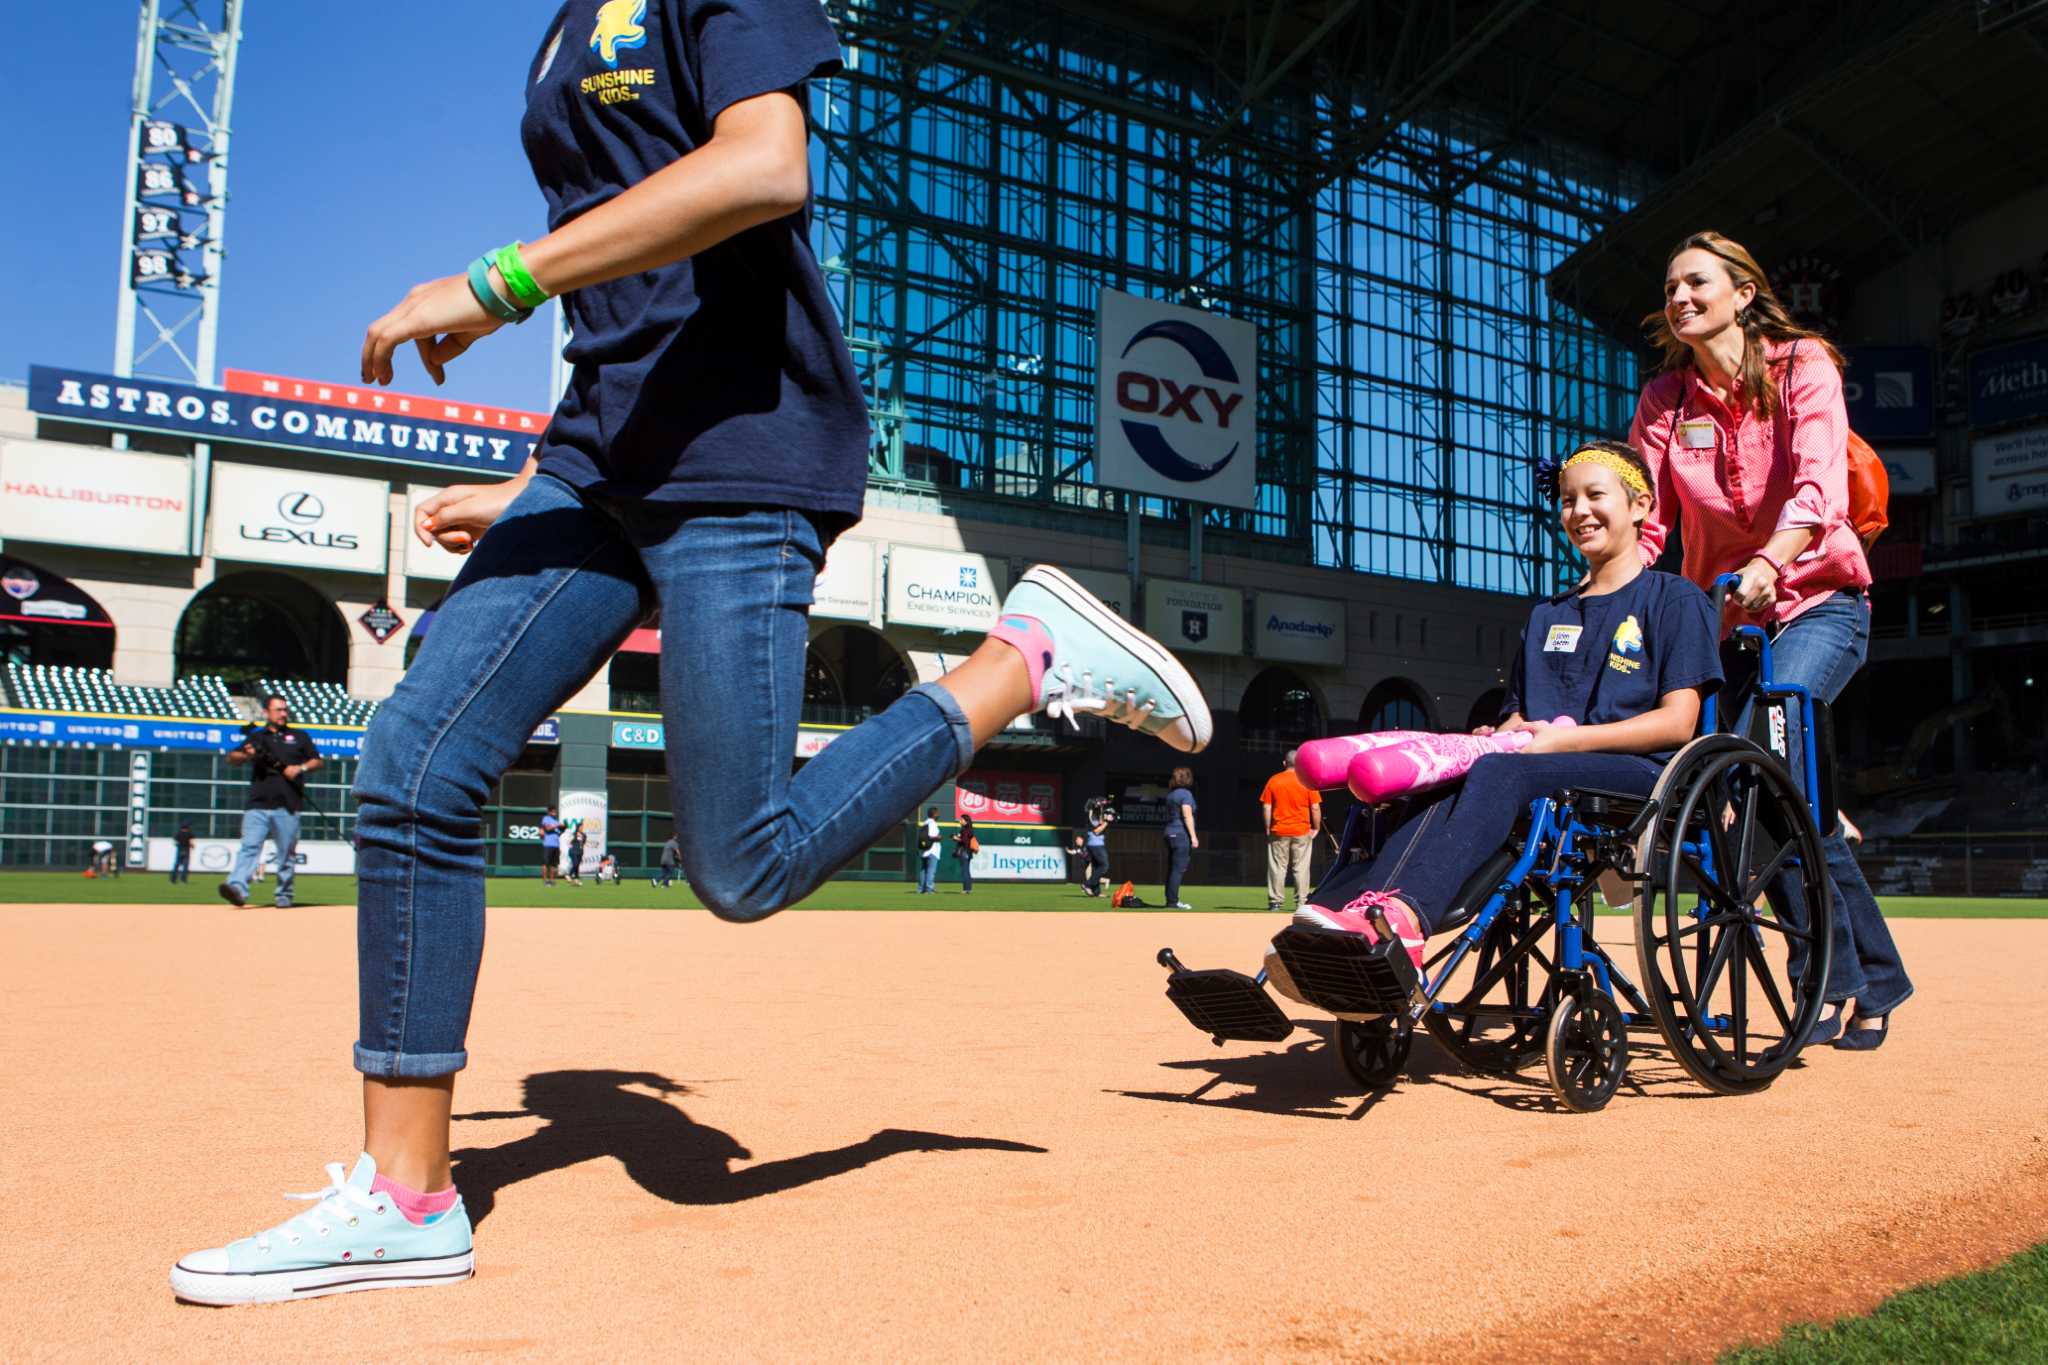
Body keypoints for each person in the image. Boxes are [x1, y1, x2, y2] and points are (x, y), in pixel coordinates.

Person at [170, 0, 1210, 1307]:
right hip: (599, 466)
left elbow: (766, 163)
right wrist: (542, 475)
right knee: (413, 759)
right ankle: (405, 1200)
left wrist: (497, 281)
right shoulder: (557, 32)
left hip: (737, 455)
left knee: (741, 861)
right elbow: (632, 307)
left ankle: (1023, 655)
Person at [1289, 441, 1722, 977]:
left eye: (1594, 496)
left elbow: (1679, 722)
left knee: (1499, 770)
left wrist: (1563, 742)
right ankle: (1341, 913)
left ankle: (1406, 916)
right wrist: (1492, 736)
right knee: (1440, 772)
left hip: (1638, 773)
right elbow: (1520, 716)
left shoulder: (1674, 599)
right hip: (1536, 765)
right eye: (1567, 500)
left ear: (1640, 506)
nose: (1579, 512)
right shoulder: (1547, 616)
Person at [1629, 230, 1910, 1051]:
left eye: (1697, 283)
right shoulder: (1665, 401)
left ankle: (1828, 978)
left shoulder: (1803, 367)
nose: (1680, 297)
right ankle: (1868, 979)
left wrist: (1766, 563)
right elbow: (1650, 529)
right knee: (1760, 796)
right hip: (1728, 623)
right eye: (1671, 285)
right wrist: (1608, 597)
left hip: (1819, 600)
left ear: (1743, 293)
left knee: (1770, 769)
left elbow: (1820, 487)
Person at [217, 694, 321, 910]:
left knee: (286, 854)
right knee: (249, 847)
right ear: (266, 712)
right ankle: (237, 888)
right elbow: (232, 758)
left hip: (289, 803)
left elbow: (317, 760)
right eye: (278, 710)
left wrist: (299, 768)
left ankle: (284, 894)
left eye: (285, 709)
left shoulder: (299, 736)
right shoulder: (256, 737)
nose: (283, 713)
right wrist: (246, 755)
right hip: (258, 803)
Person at [1259, 750, 1321, 912]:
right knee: (1301, 867)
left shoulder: (1274, 780)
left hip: (1279, 830)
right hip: (1302, 830)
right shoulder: (1306, 780)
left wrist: (1267, 826)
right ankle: (1301, 901)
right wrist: (1316, 827)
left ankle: (1275, 902)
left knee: (1277, 867)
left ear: (1284, 763)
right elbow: (1315, 807)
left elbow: (1267, 806)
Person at [1163, 768, 1197, 910]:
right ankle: (1173, 902)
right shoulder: (1186, 794)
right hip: (1181, 835)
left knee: (1172, 869)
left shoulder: (1171, 795)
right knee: (1178, 870)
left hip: (1168, 833)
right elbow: (1187, 815)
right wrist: (1194, 836)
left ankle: (1170, 900)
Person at [1073, 799, 1113, 897]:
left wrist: (1106, 812)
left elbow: (1100, 816)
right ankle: (1087, 884)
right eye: (1098, 806)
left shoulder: (1093, 817)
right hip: (1096, 846)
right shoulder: (1092, 817)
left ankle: (1096, 892)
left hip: (1093, 846)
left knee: (1096, 869)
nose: (1100, 807)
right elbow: (1097, 831)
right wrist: (1107, 821)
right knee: (1104, 866)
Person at [916, 807, 941, 894]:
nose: (938, 815)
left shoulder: (925, 823)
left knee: (923, 870)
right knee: (931, 870)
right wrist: (938, 837)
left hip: (923, 851)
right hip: (932, 851)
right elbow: (931, 836)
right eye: (937, 813)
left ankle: (921, 889)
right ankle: (929, 889)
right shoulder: (932, 823)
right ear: (934, 814)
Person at [954, 814, 978, 895]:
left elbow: (964, 841)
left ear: (966, 821)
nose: (960, 821)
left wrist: (956, 838)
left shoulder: (965, 830)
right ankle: (968, 889)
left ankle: (965, 889)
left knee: (965, 871)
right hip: (968, 852)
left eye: (961, 819)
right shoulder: (969, 829)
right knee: (967, 871)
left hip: (964, 851)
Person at [539, 806, 562, 886]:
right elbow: (548, 828)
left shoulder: (556, 820)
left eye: (555, 811)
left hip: (556, 845)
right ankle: (545, 881)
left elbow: (559, 832)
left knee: (554, 864)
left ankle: (552, 881)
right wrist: (557, 825)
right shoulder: (546, 818)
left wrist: (563, 827)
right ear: (549, 812)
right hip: (548, 844)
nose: (554, 813)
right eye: (553, 811)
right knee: (545, 863)